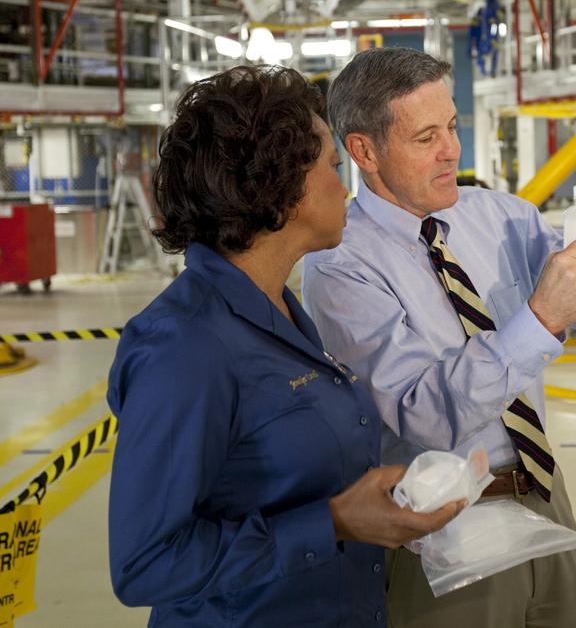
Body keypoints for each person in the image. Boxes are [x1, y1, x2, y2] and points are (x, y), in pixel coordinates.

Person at [302, 48, 576, 628]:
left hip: (542, 491)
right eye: (426, 136)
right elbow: (422, 414)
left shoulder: (498, 215)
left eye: (453, 127)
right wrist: (539, 318)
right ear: (364, 151)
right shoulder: (341, 264)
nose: (452, 150)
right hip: (440, 524)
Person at [106, 66, 463, 627]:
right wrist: (335, 523)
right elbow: (146, 564)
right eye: (330, 166)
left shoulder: (282, 314)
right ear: (279, 185)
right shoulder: (185, 346)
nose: (343, 184)